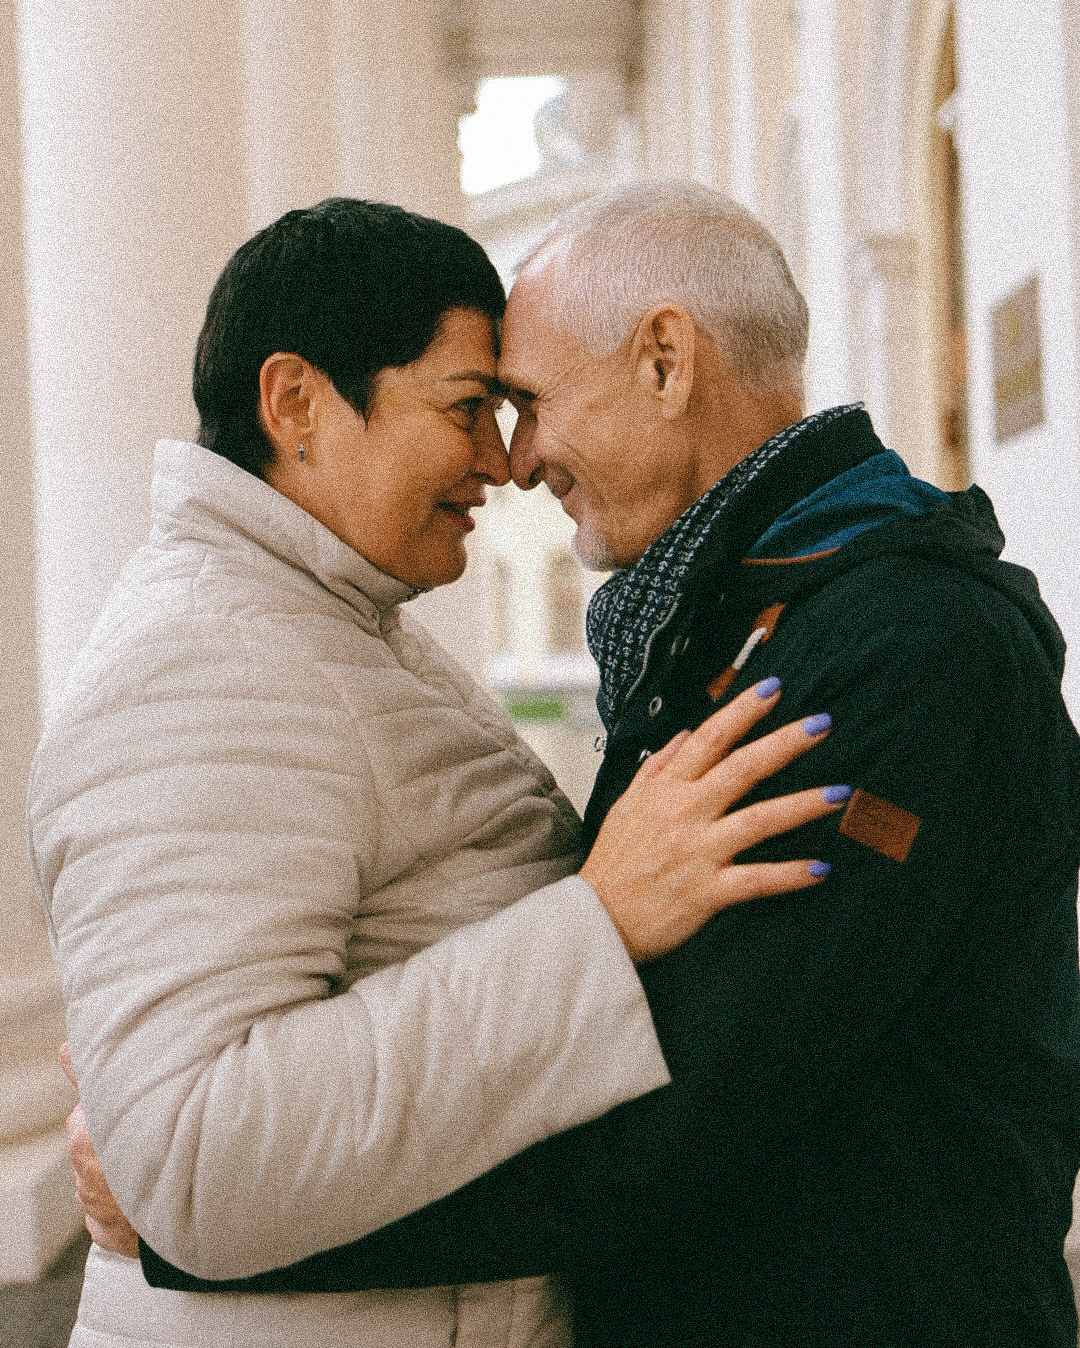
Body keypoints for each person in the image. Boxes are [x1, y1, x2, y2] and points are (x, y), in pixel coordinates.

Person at [83, 181, 1080, 1347]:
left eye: (526, 401)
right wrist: (197, 1199)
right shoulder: (735, 620)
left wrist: (189, 1231)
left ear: (665, 360)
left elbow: (661, 1107)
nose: (516, 459)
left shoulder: (896, 651)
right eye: (482, 407)